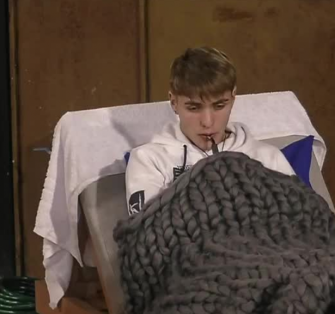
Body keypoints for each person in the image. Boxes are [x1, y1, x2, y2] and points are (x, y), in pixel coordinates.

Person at [125, 46, 296, 215]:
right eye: (194, 108)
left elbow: (300, 219)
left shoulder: (268, 157)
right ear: (174, 102)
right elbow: (146, 226)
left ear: (233, 98)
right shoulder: (149, 159)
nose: (207, 122)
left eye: (219, 106)